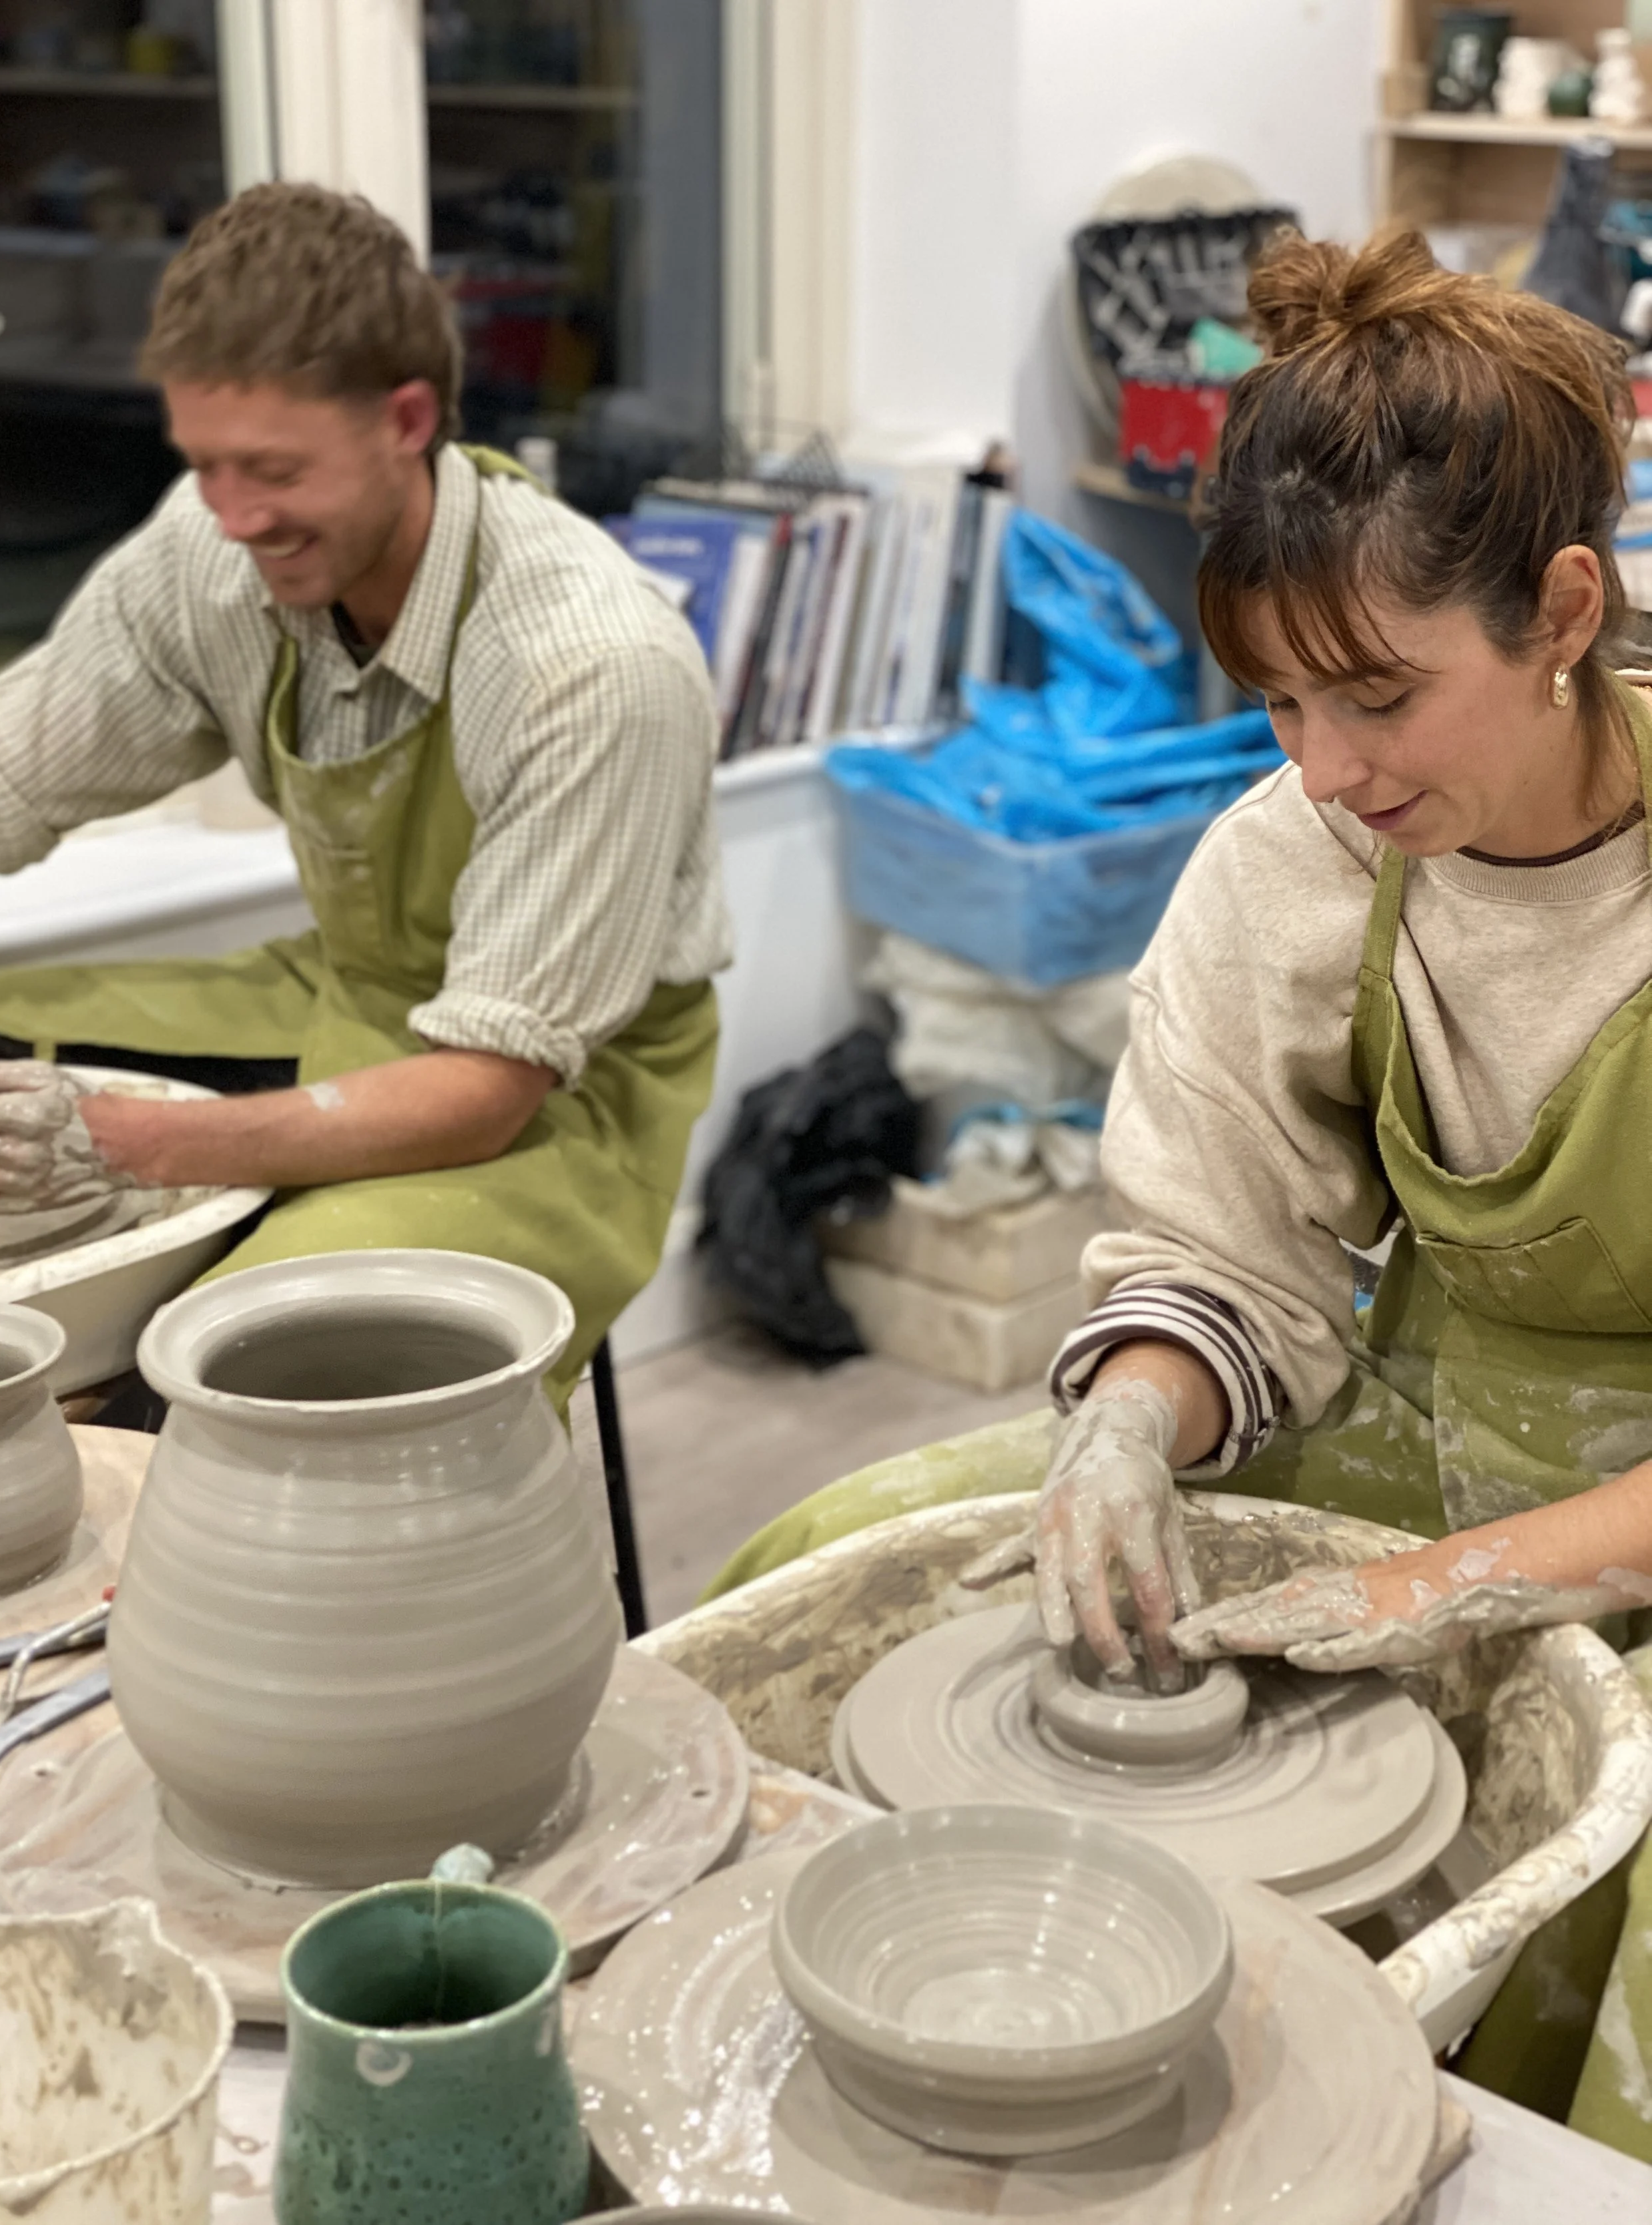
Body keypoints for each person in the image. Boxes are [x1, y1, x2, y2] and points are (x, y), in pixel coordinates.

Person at [707, 228, 1652, 2156]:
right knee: (840, 1566)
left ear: (1562, 610)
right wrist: (1135, 1410)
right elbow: (1226, 1243)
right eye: (1281, 706)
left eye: (1376, 696)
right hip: (1419, 1402)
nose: (1324, 770)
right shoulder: (1294, 853)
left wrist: (1436, 1586)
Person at [0, 184, 730, 1401]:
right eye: (206, 466)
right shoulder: (215, 548)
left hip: (562, 1098)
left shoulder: (590, 664)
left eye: (273, 470)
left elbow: (486, 1091)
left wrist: (127, 1143)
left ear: (406, 418)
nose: (234, 517)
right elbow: (5, 770)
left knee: (248, 1362)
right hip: (344, 992)